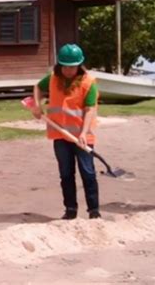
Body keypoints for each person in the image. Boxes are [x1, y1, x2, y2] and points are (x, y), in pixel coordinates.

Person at [31, 44, 101, 220]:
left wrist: (83, 134)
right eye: (65, 66)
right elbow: (38, 87)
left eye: (72, 66)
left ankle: (94, 210)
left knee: (88, 172)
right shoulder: (53, 79)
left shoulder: (88, 83)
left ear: (79, 65)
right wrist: (37, 106)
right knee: (66, 173)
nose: (69, 70)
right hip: (60, 135)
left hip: (82, 136)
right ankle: (70, 209)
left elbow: (90, 109)